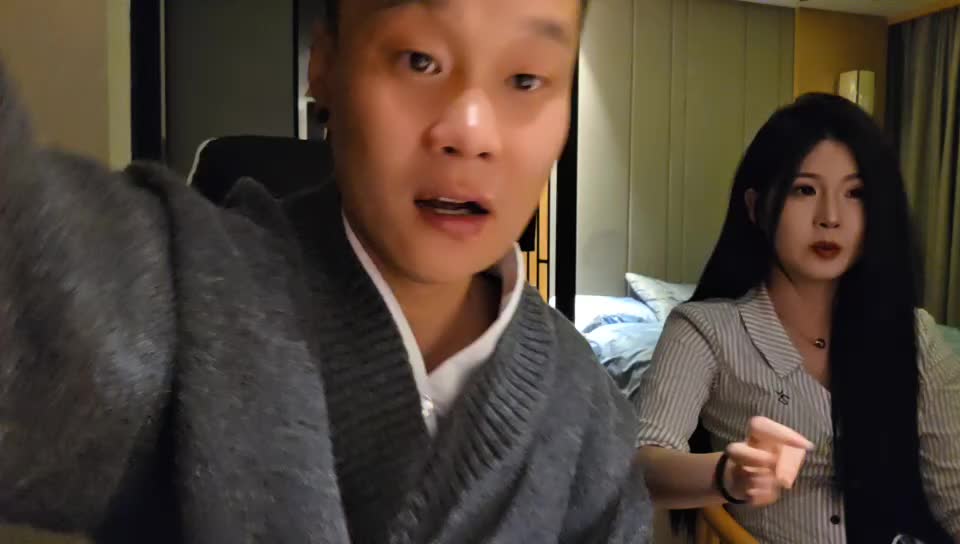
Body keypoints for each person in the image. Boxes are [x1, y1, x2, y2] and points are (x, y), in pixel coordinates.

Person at [0, 0, 653, 542]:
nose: (472, 132)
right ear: (325, 66)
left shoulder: (587, 412)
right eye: (419, 60)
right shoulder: (191, 302)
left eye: (526, 80)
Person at [633, 93, 960, 543]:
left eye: (855, 194)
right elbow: (644, 464)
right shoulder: (706, 331)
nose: (830, 218)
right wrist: (728, 474)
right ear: (755, 208)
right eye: (804, 190)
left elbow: (953, 495)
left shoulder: (914, 334)